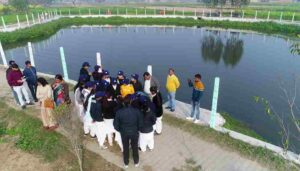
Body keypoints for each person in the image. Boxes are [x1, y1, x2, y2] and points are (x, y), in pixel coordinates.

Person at [114, 95, 143, 169]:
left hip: (124, 133)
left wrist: (121, 130)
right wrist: (138, 129)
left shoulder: (119, 112)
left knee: (125, 148)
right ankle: (136, 162)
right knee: (135, 147)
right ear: (130, 102)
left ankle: (126, 163)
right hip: (134, 132)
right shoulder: (136, 111)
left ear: (123, 103)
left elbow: (116, 125)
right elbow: (140, 122)